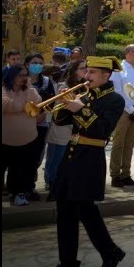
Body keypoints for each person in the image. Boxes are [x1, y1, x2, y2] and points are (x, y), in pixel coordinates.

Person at [39, 56, 127, 267]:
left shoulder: (114, 100)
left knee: (85, 210)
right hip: (72, 156)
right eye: (86, 72)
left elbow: (101, 130)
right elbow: (60, 122)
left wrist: (81, 109)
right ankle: (69, 264)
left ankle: (109, 253)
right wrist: (64, 104)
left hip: (90, 158)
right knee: (67, 211)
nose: (86, 77)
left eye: (92, 74)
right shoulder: (84, 94)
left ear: (106, 76)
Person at [45, 61, 87, 198]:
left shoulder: (84, 87)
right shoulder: (64, 86)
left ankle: (60, 185)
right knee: (56, 158)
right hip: (61, 126)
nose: (86, 70)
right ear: (74, 70)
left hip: (74, 128)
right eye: (83, 68)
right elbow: (63, 107)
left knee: (66, 159)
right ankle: (52, 185)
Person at [109, 44, 134, 188]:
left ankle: (126, 174)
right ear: (130, 53)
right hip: (124, 111)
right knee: (118, 144)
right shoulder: (119, 69)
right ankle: (115, 175)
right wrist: (131, 110)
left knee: (129, 145)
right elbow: (117, 92)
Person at [2, 66, 42, 206]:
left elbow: (37, 104)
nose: (24, 78)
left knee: (22, 170)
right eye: (20, 75)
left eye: (26, 75)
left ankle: (18, 194)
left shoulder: (30, 90)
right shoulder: (3, 89)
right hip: (5, 140)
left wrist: (30, 89)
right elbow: (7, 105)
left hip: (28, 139)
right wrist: (26, 106)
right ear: (12, 75)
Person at [26, 53, 56, 200]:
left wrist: (42, 114)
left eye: (40, 63)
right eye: (34, 62)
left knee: (36, 157)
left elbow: (51, 100)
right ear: (27, 64)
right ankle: (17, 188)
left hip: (40, 123)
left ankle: (30, 187)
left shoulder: (46, 81)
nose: (37, 65)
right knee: (22, 157)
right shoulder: (20, 80)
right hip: (22, 123)